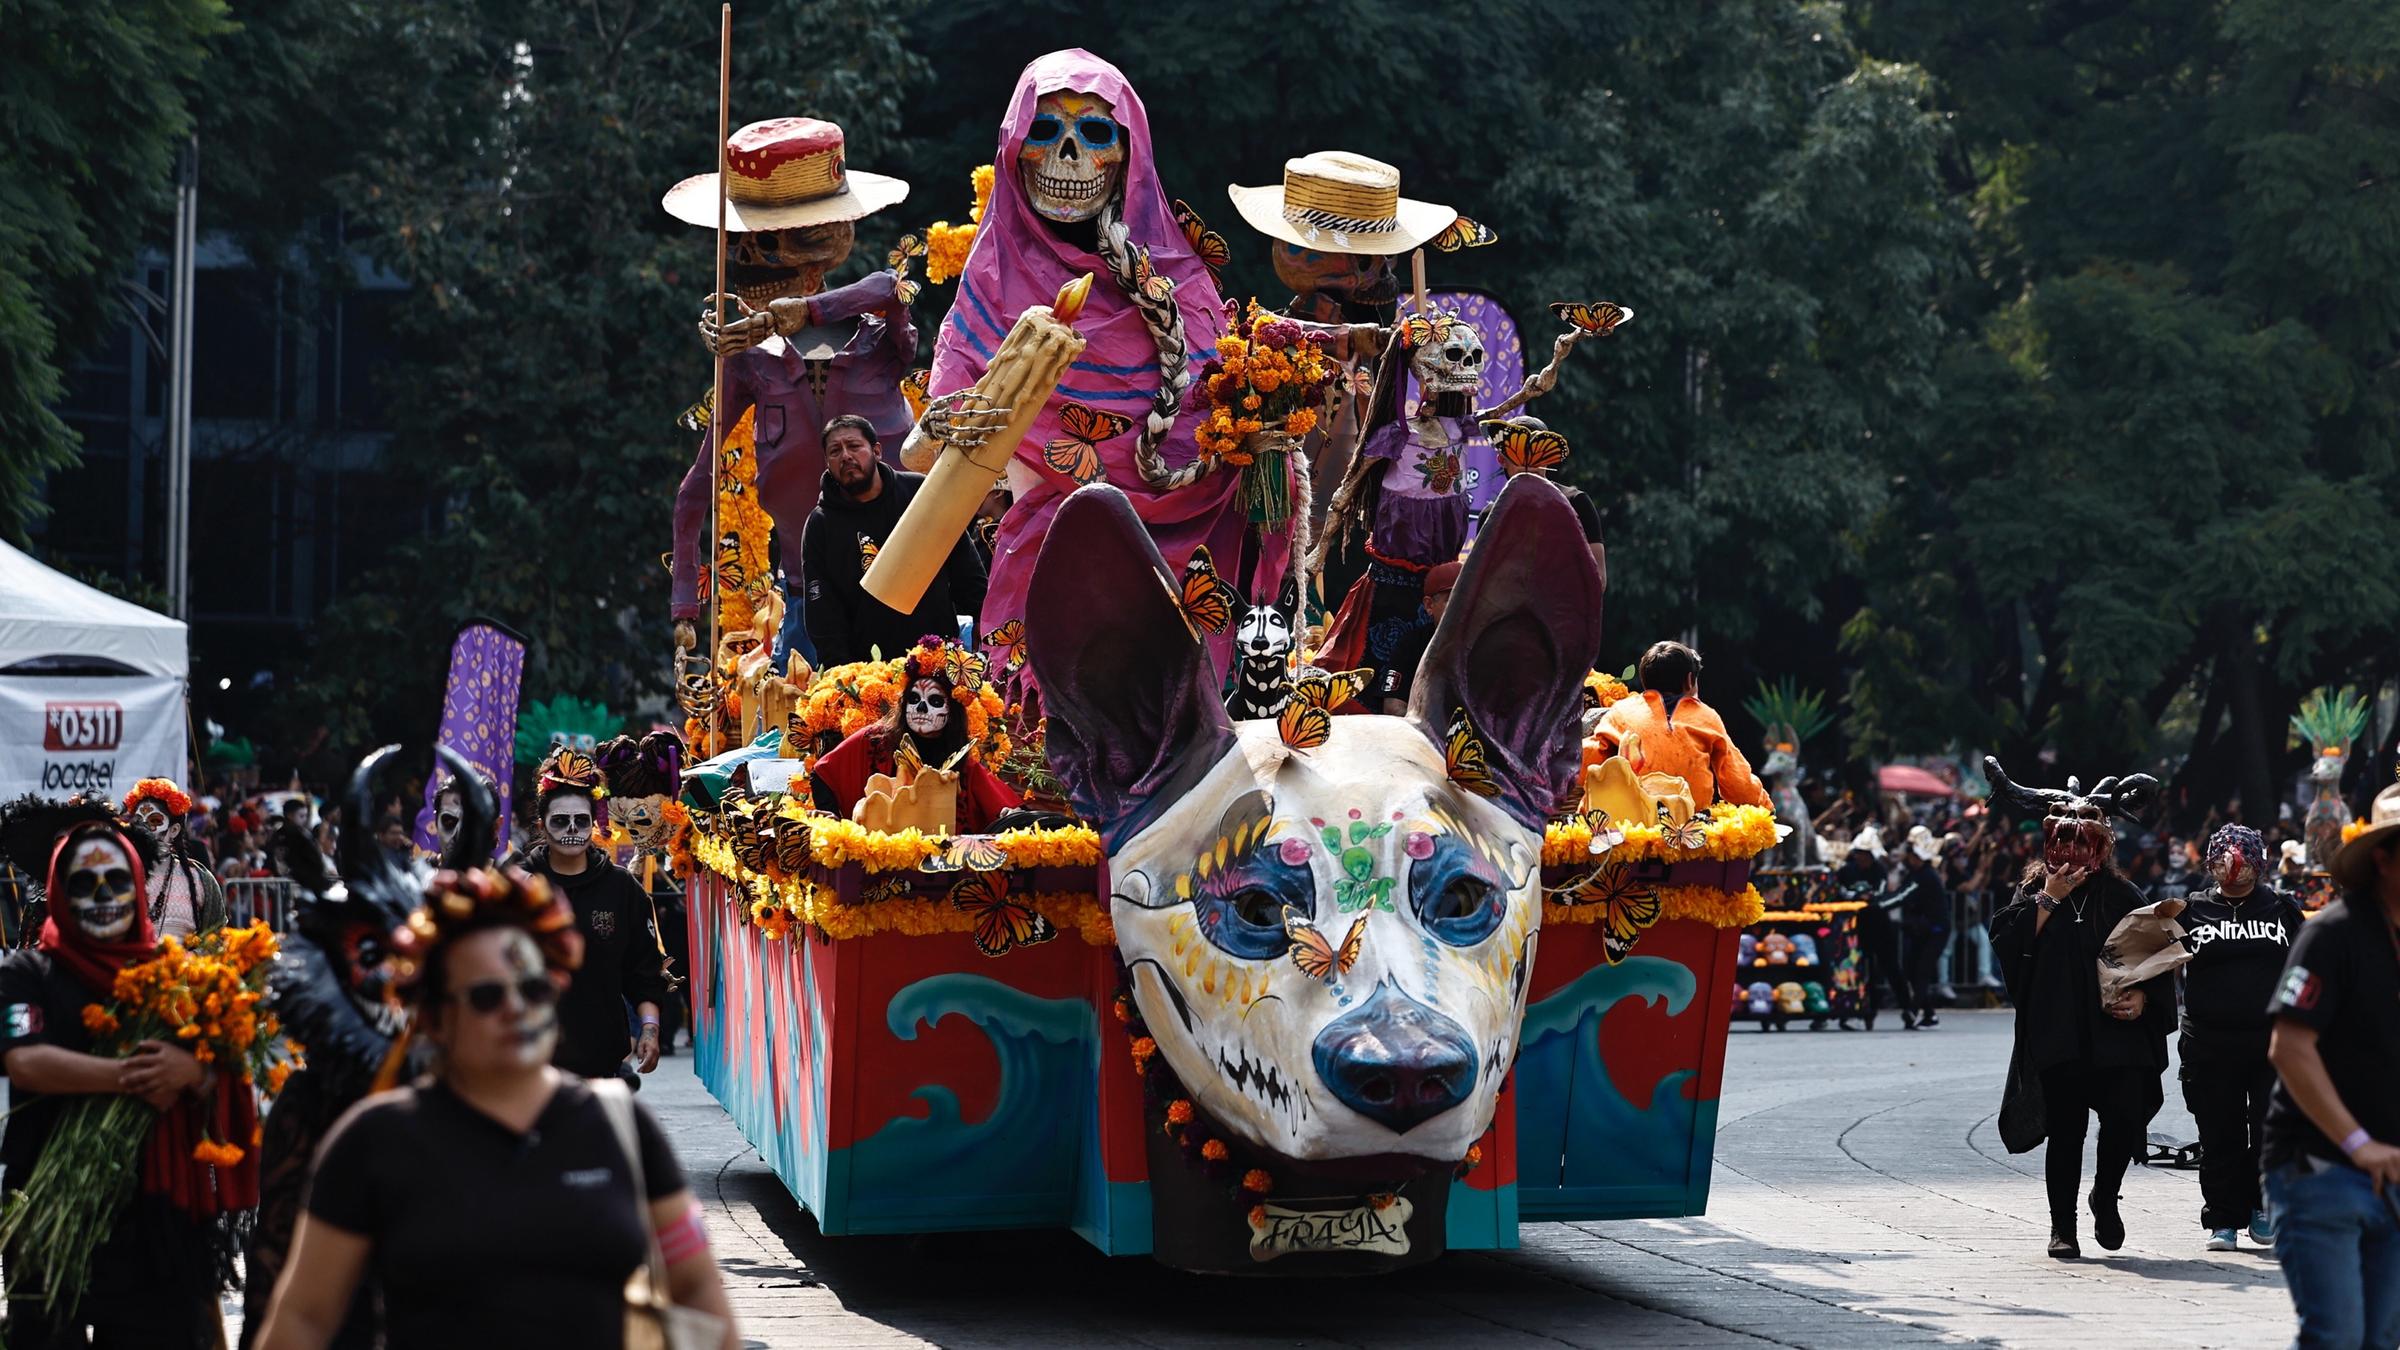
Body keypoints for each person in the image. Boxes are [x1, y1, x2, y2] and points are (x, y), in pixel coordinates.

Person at [253, 865, 739, 1350]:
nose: (516, 1007)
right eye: (487, 995)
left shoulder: (621, 1125)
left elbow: (696, 1286)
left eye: (532, 988)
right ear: (434, 1017)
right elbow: (304, 1318)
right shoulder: (374, 1140)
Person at [0, 797, 247, 1347]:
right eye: (85, 884)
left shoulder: (171, 976)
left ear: (137, 888)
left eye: (117, 881)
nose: (104, 897)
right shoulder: (28, 973)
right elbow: (26, 1061)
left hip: (152, 1218)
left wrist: (195, 1070)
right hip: (47, 1214)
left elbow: (223, 1069)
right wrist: (130, 1077)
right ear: (60, 891)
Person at [670, 116, 917, 668]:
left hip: (906, 586)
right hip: (810, 600)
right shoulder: (752, 367)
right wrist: (685, 605)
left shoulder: (880, 344)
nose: (747, 264)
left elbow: (887, 289)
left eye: (771, 246)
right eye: (743, 246)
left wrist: (802, 313)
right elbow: (696, 488)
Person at [1983, 759, 2175, 1259]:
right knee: (2066, 1130)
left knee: (2122, 1120)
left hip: (2116, 1035)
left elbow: (2157, 955)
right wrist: (2049, 897)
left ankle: (2105, 1196)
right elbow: (2008, 943)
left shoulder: (2122, 894)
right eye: (2061, 841)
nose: (2070, 852)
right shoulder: (2033, 892)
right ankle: (2062, 1228)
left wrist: (2144, 997)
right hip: (2061, 1031)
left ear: (2101, 846)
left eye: (2081, 842)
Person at [2260, 784, 2400, 1346]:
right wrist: (2358, 1143)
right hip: (2319, 1168)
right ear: (2383, 858)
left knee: (2383, 1338)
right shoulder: (2331, 933)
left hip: (2392, 1174)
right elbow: (2289, 1047)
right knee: (2336, 1336)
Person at [2147, 824, 2300, 1252]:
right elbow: (2151, 958)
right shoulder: (2191, 909)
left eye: (2243, 859)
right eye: (2222, 858)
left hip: (2271, 1040)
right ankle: (2223, 1218)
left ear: (2259, 863)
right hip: (2209, 1040)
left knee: (2271, 1128)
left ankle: (2263, 1204)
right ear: (2211, 863)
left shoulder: (2282, 908)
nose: (2232, 867)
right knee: (2219, 1131)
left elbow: (2307, 966)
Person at [517, 748, 669, 1085]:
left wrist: (649, 1029)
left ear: (594, 823)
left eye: (581, 820)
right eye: (560, 820)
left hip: (601, 1066)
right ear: (542, 825)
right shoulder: (516, 885)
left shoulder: (621, 888)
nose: (571, 829)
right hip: (528, 1067)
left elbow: (643, 971)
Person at [800, 414, 987, 666]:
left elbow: (964, 565)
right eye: (835, 451)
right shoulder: (820, 524)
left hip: (935, 656)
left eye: (854, 446)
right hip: (869, 673)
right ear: (827, 462)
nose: (845, 456)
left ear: (876, 451)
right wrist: (841, 672)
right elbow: (821, 608)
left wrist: (983, 621)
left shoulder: (919, 493)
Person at [810, 639, 1020, 833]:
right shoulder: (875, 739)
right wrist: (833, 820)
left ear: (952, 712)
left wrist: (1009, 817)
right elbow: (823, 772)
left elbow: (1004, 809)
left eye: (935, 701)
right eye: (913, 698)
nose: (920, 708)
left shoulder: (960, 762)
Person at [1586, 640, 1771, 810]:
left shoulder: (1621, 712)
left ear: (1644, 680)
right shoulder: (1706, 717)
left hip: (1629, 825)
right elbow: (1739, 785)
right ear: (1690, 680)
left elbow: (1586, 761)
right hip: (1692, 831)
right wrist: (1765, 806)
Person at [121, 777, 227, 939]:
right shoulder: (119, 874)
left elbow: (217, 938)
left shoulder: (199, 879)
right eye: (138, 821)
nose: (143, 829)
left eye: (154, 821)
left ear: (174, 830)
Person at [1375, 560, 1459, 714]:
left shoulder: (1487, 645)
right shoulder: (1411, 644)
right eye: (1452, 599)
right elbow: (1393, 707)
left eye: (1468, 598)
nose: (1462, 606)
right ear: (1429, 606)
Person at [1898, 826, 1949, 1028]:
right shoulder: (1914, 874)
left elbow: (1902, 896)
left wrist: (1876, 903)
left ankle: (1913, 1011)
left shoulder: (1926, 875)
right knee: (1911, 969)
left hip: (1936, 931)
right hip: (1921, 930)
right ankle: (1929, 1013)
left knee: (1922, 971)